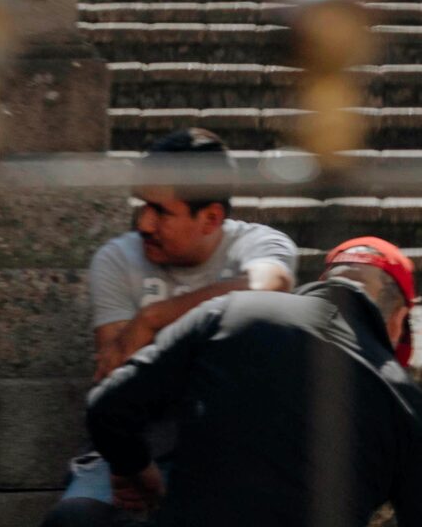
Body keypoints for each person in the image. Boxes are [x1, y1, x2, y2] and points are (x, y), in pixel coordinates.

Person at [85, 236, 422, 527]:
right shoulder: (406, 402)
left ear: (325, 281)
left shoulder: (233, 311)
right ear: (399, 317)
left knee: (74, 516)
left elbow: (106, 409)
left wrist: (142, 473)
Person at [42, 128, 298, 526]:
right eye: (142, 205)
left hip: (227, 449)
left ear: (211, 218)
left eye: (160, 211)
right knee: (74, 519)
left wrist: (153, 317)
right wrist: (132, 463)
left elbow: (270, 285)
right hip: (133, 448)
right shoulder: (118, 259)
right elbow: (115, 378)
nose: (143, 223)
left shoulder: (258, 245)